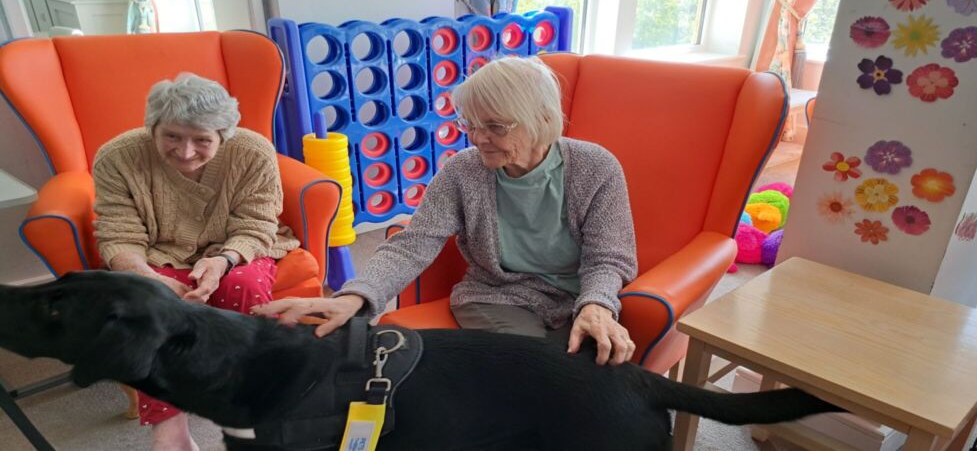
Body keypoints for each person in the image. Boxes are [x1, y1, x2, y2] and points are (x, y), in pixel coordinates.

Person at [254, 56, 638, 366]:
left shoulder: (595, 167)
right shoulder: (463, 170)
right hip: (497, 296)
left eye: (495, 126)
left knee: (594, 372)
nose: (477, 137)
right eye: (470, 124)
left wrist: (596, 305)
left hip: (575, 297)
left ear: (542, 119)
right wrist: (354, 297)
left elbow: (608, 259)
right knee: (537, 370)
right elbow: (414, 243)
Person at [92, 73, 300, 451]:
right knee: (148, 303)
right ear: (151, 127)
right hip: (156, 254)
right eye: (171, 136)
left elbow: (256, 223)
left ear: (224, 135)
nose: (186, 152)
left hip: (236, 248)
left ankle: (241, 398)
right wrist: (144, 275)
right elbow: (118, 234)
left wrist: (222, 260)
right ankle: (170, 433)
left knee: (245, 286)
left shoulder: (253, 152)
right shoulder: (117, 157)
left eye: (202, 140)